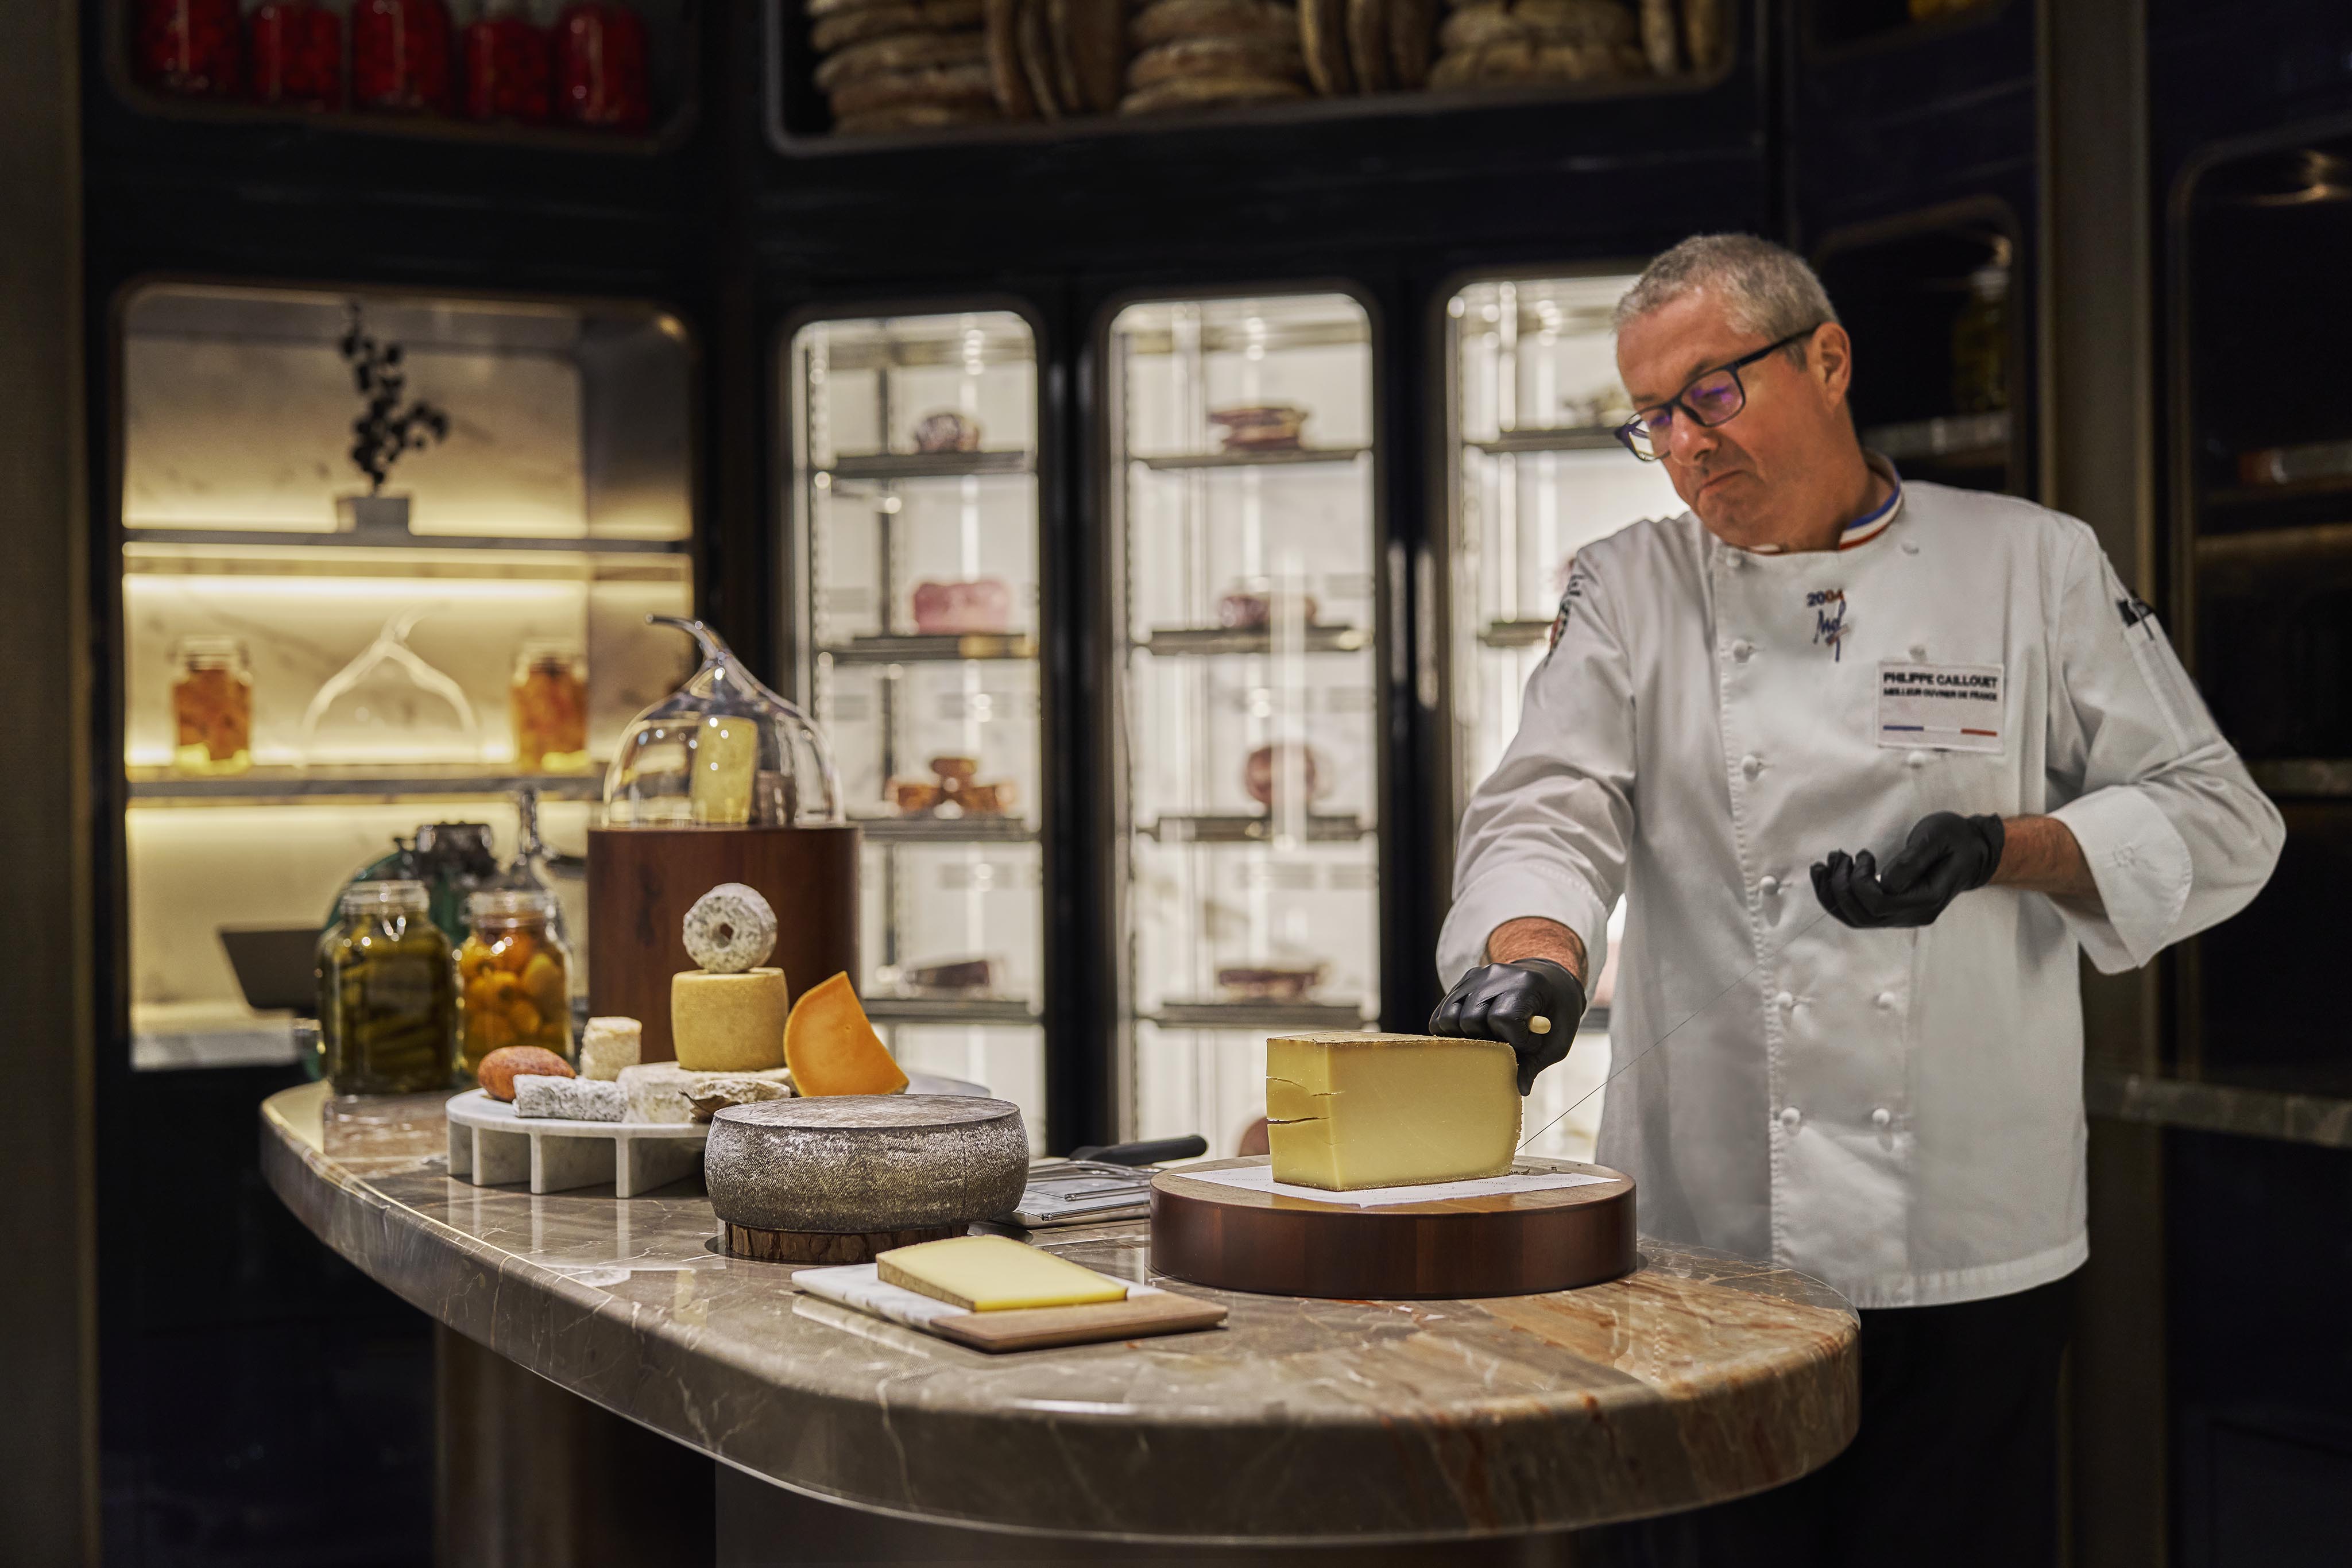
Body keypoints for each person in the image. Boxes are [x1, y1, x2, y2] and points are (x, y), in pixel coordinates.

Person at [1429, 234, 2282, 1567]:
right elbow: (1550, 803)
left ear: (1825, 360)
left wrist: (2001, 848)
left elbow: (2221, 818)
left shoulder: (2030, 563)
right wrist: (1529, 954)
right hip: (1708, 1239)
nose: (1685, 444)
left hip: (1967, 1234)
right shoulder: (1626, 584)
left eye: (1710, 393)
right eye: (1652, 419)